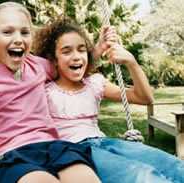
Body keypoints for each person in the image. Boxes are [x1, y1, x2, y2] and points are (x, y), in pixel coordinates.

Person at [0, 2, 102, 183]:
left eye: (24, 32)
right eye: (7, 32)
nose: (18, 39)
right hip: (15, 156)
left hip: (55, 148)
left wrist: (98, 50)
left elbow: (70, 66)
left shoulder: (38, 66)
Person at [33, 17, 184, 183]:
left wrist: (131, 63)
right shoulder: (44, 89)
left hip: (106, 143)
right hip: (75, 153)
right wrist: (96, 50)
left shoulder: (94, 84)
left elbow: (145, 97)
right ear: (53, 59)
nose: (76, 56)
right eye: (66, 51)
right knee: (142, 176)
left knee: (175, 167)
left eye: (81, 50)